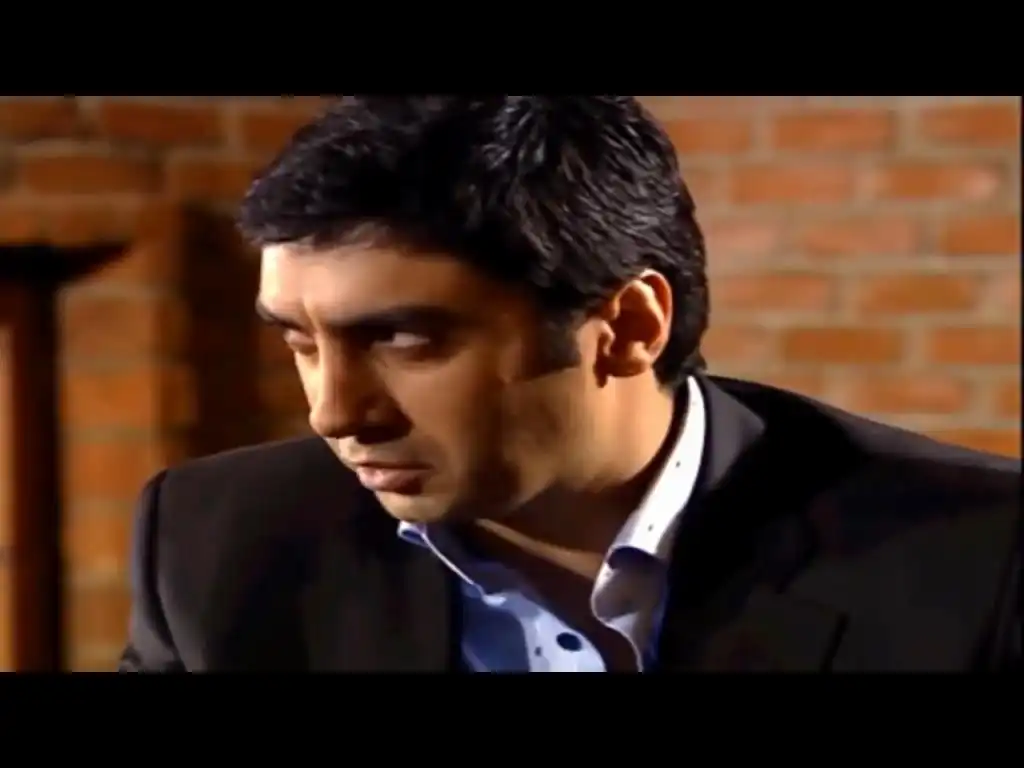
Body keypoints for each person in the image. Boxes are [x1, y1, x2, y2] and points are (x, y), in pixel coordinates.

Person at [118, 96, 1021, 673]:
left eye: (404, 340)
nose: (334, 411)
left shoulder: (978, 560)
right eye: (299, 341)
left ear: (628, 327)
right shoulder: (220, 543)